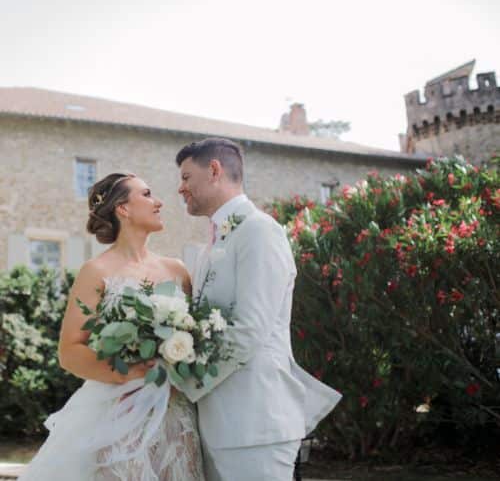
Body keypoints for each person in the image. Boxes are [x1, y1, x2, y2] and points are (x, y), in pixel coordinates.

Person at [18, 172, 205, 481]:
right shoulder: (96, 271)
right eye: (146, 194)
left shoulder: (177, 270)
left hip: (175, 410)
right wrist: (126, 373)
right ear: (123, 209)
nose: (158, 202)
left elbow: (196, 337)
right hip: (117, 410)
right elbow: (69, 351)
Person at [175, 138, 342, 481]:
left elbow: (249, 331)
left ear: (215, 170)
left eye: (187, 177)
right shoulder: (214, 243)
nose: (181, 188)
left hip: (256, 423)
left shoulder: (259, 231)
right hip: (219, 422)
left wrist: (184, 383)